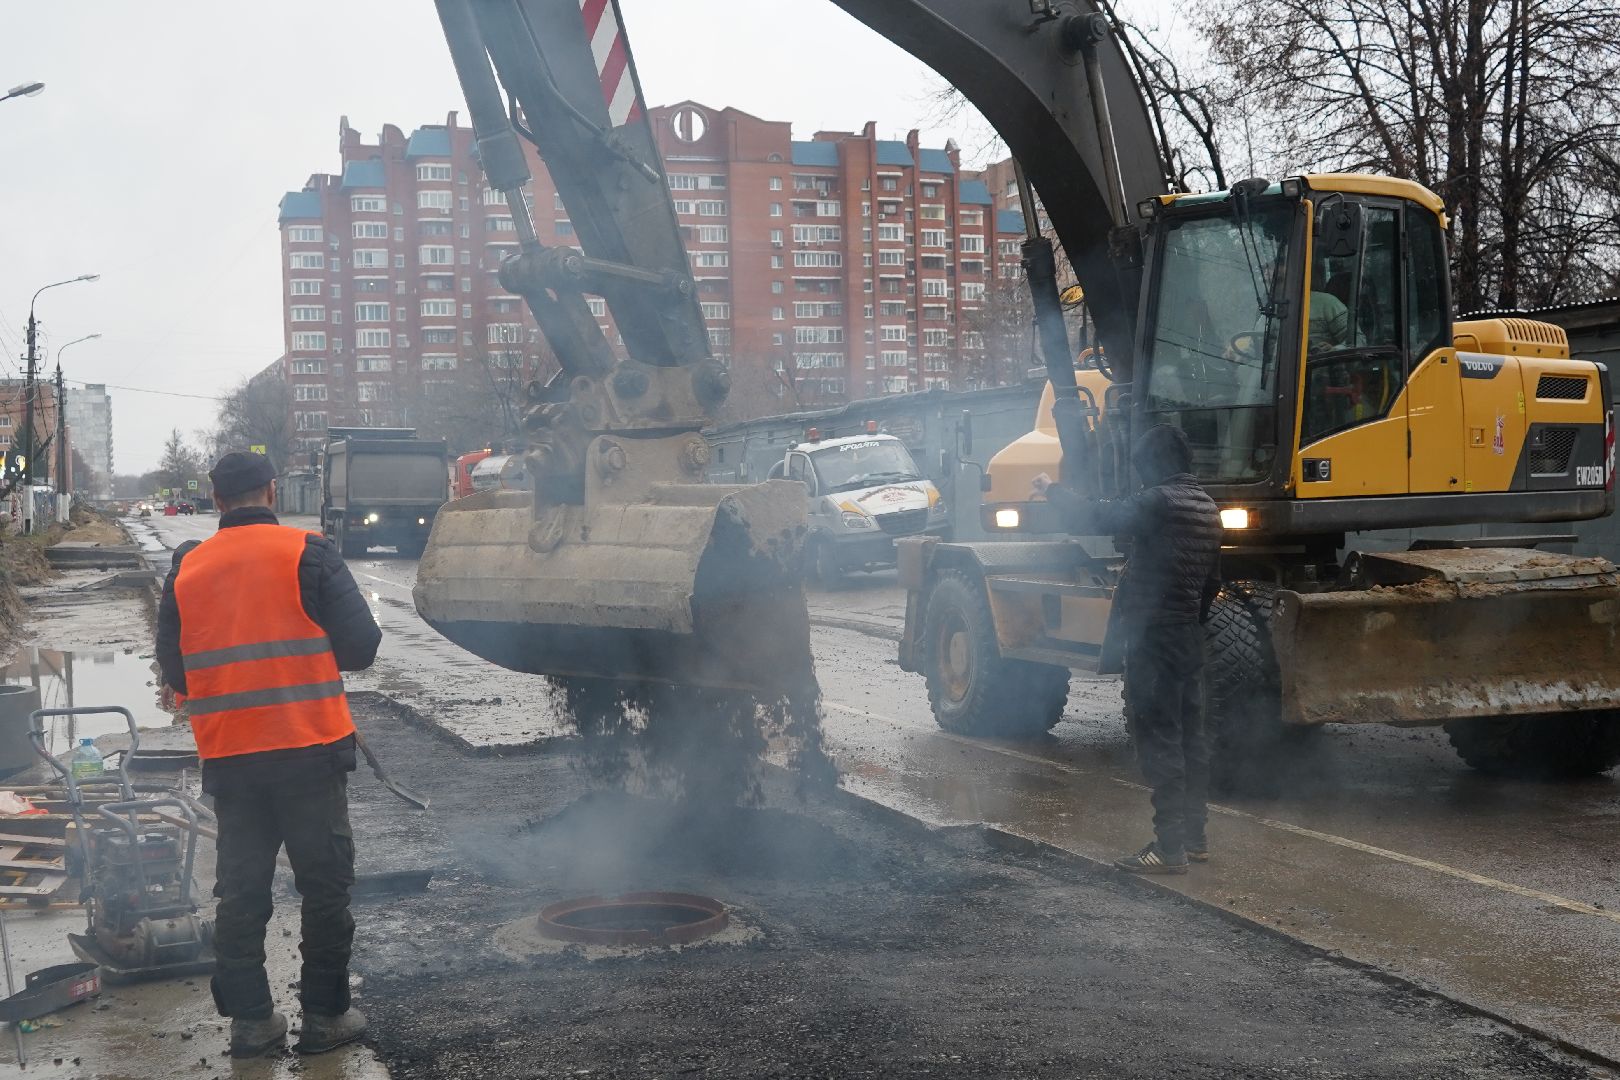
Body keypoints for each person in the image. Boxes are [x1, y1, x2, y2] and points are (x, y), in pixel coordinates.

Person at [156, 451, 382, 1057]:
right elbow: (361, 648)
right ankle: (326, 1017)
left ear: (216, 500)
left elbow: (177, 669)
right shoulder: (308, 553)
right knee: (325, 889)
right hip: (310, 750)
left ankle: (252, 1023)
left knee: (241, 892)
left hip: (232, 759)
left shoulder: (188, 568)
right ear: (273, 492)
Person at [1032, 423, 1222, 875]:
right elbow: (1213, 582)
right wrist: (1188, 620)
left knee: (1159, 738)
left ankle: (1168, 848)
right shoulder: (1207, 506)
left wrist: (1052, 490)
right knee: (1191, 737)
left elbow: (1099, 518)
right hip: (1187, 637)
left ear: (1155, 465)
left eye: (1142, 468)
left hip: (1155, 637)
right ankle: (1194, 838)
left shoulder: (1159, 501)